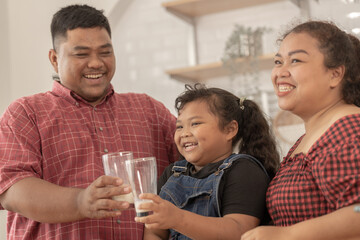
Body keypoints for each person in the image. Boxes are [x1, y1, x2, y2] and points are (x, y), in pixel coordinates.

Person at [0, 4, 178, 240]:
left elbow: (198, 164)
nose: (96, 63)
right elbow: (11, 190)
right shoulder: (26, 113)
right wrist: (81, 201)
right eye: (81, 54)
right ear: (54, 59)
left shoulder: (150, 111)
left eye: (105, 52)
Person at [241, 20, 360, 240]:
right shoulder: (311, 137)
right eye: (278, 61)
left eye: (295, 60)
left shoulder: (349, 129)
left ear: (335, 74)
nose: (280, 72)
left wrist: (286, 235)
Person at [135, 84, 280, 240]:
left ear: (229, 130)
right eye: (179, 126)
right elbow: (155, 232)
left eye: (195, 123)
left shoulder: (244, 170)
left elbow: (238, 231)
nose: (184, 133)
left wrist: (178, 219)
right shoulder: (172, 173)